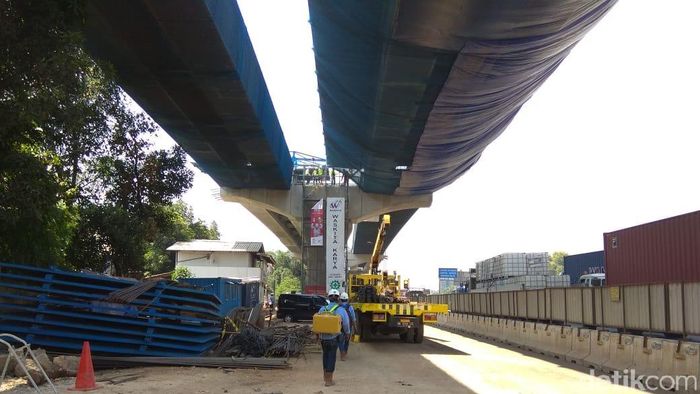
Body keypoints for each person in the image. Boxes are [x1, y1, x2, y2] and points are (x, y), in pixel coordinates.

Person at [318, 289, 350, 386]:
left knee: (325, 356)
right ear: (338, 299)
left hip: (323, 338)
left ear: (329, 297)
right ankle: (329, 380)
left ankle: (325, 377)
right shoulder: (341, 310)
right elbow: (346, 324)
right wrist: (348, 333)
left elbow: (317, 322)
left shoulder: (322, 309)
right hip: (334, 337)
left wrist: (317, 335)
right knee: (331, 357)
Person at [338, 292, 356, 361]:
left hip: (339, 326)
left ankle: (342, 354)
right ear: (347, 299)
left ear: (340, 299)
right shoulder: (350, 307)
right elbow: (353, 318)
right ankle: (345, 352)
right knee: (347, 340)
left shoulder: (338, 307)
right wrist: (355, 328)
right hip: (349, 326)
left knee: (340, 340)